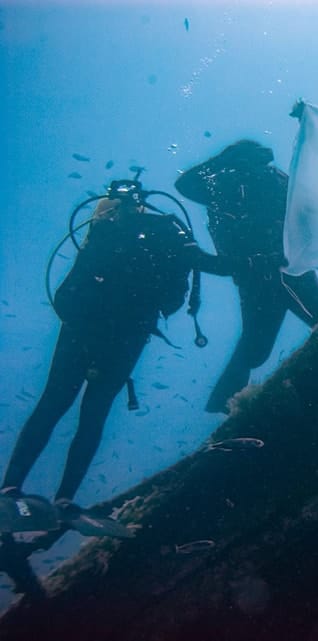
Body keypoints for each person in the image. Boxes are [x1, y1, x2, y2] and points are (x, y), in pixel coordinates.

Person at [1, 188, 239, 516]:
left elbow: (65, 295)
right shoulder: (158, 231)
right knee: (88, 413)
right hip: (122, 336)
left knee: (58, 405)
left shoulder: (113, 233)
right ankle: (59, 498)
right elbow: (203, 268)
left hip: (88, 332)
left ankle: (17, 489)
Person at [175, 140, 318, 414]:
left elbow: (311, 214)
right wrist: (225, 160)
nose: (251, 170)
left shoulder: (277, 181)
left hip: (286, 271)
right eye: (245, 163)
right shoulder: (222, 186)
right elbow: (184, 184)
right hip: (257, 276)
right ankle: (227, 404)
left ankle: (227, 402)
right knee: (257, 347)